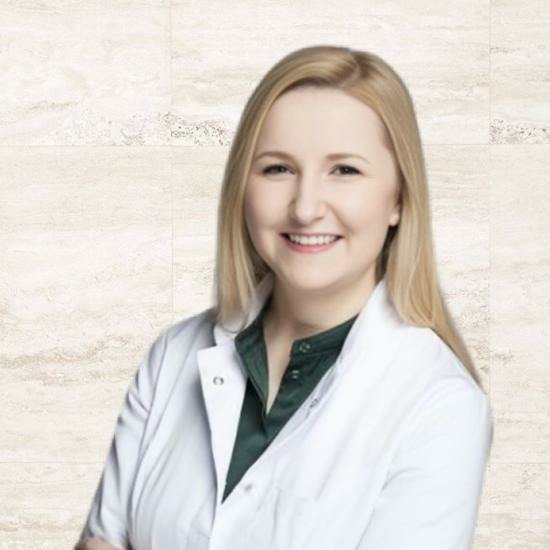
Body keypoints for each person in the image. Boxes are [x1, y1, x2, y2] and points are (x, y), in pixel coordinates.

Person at [75, 45, 493, 550]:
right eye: (278, 169)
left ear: (399, 199)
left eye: (345, 170)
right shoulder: (173, 355)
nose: (306, 207)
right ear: (242, 187)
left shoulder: (441, 405)